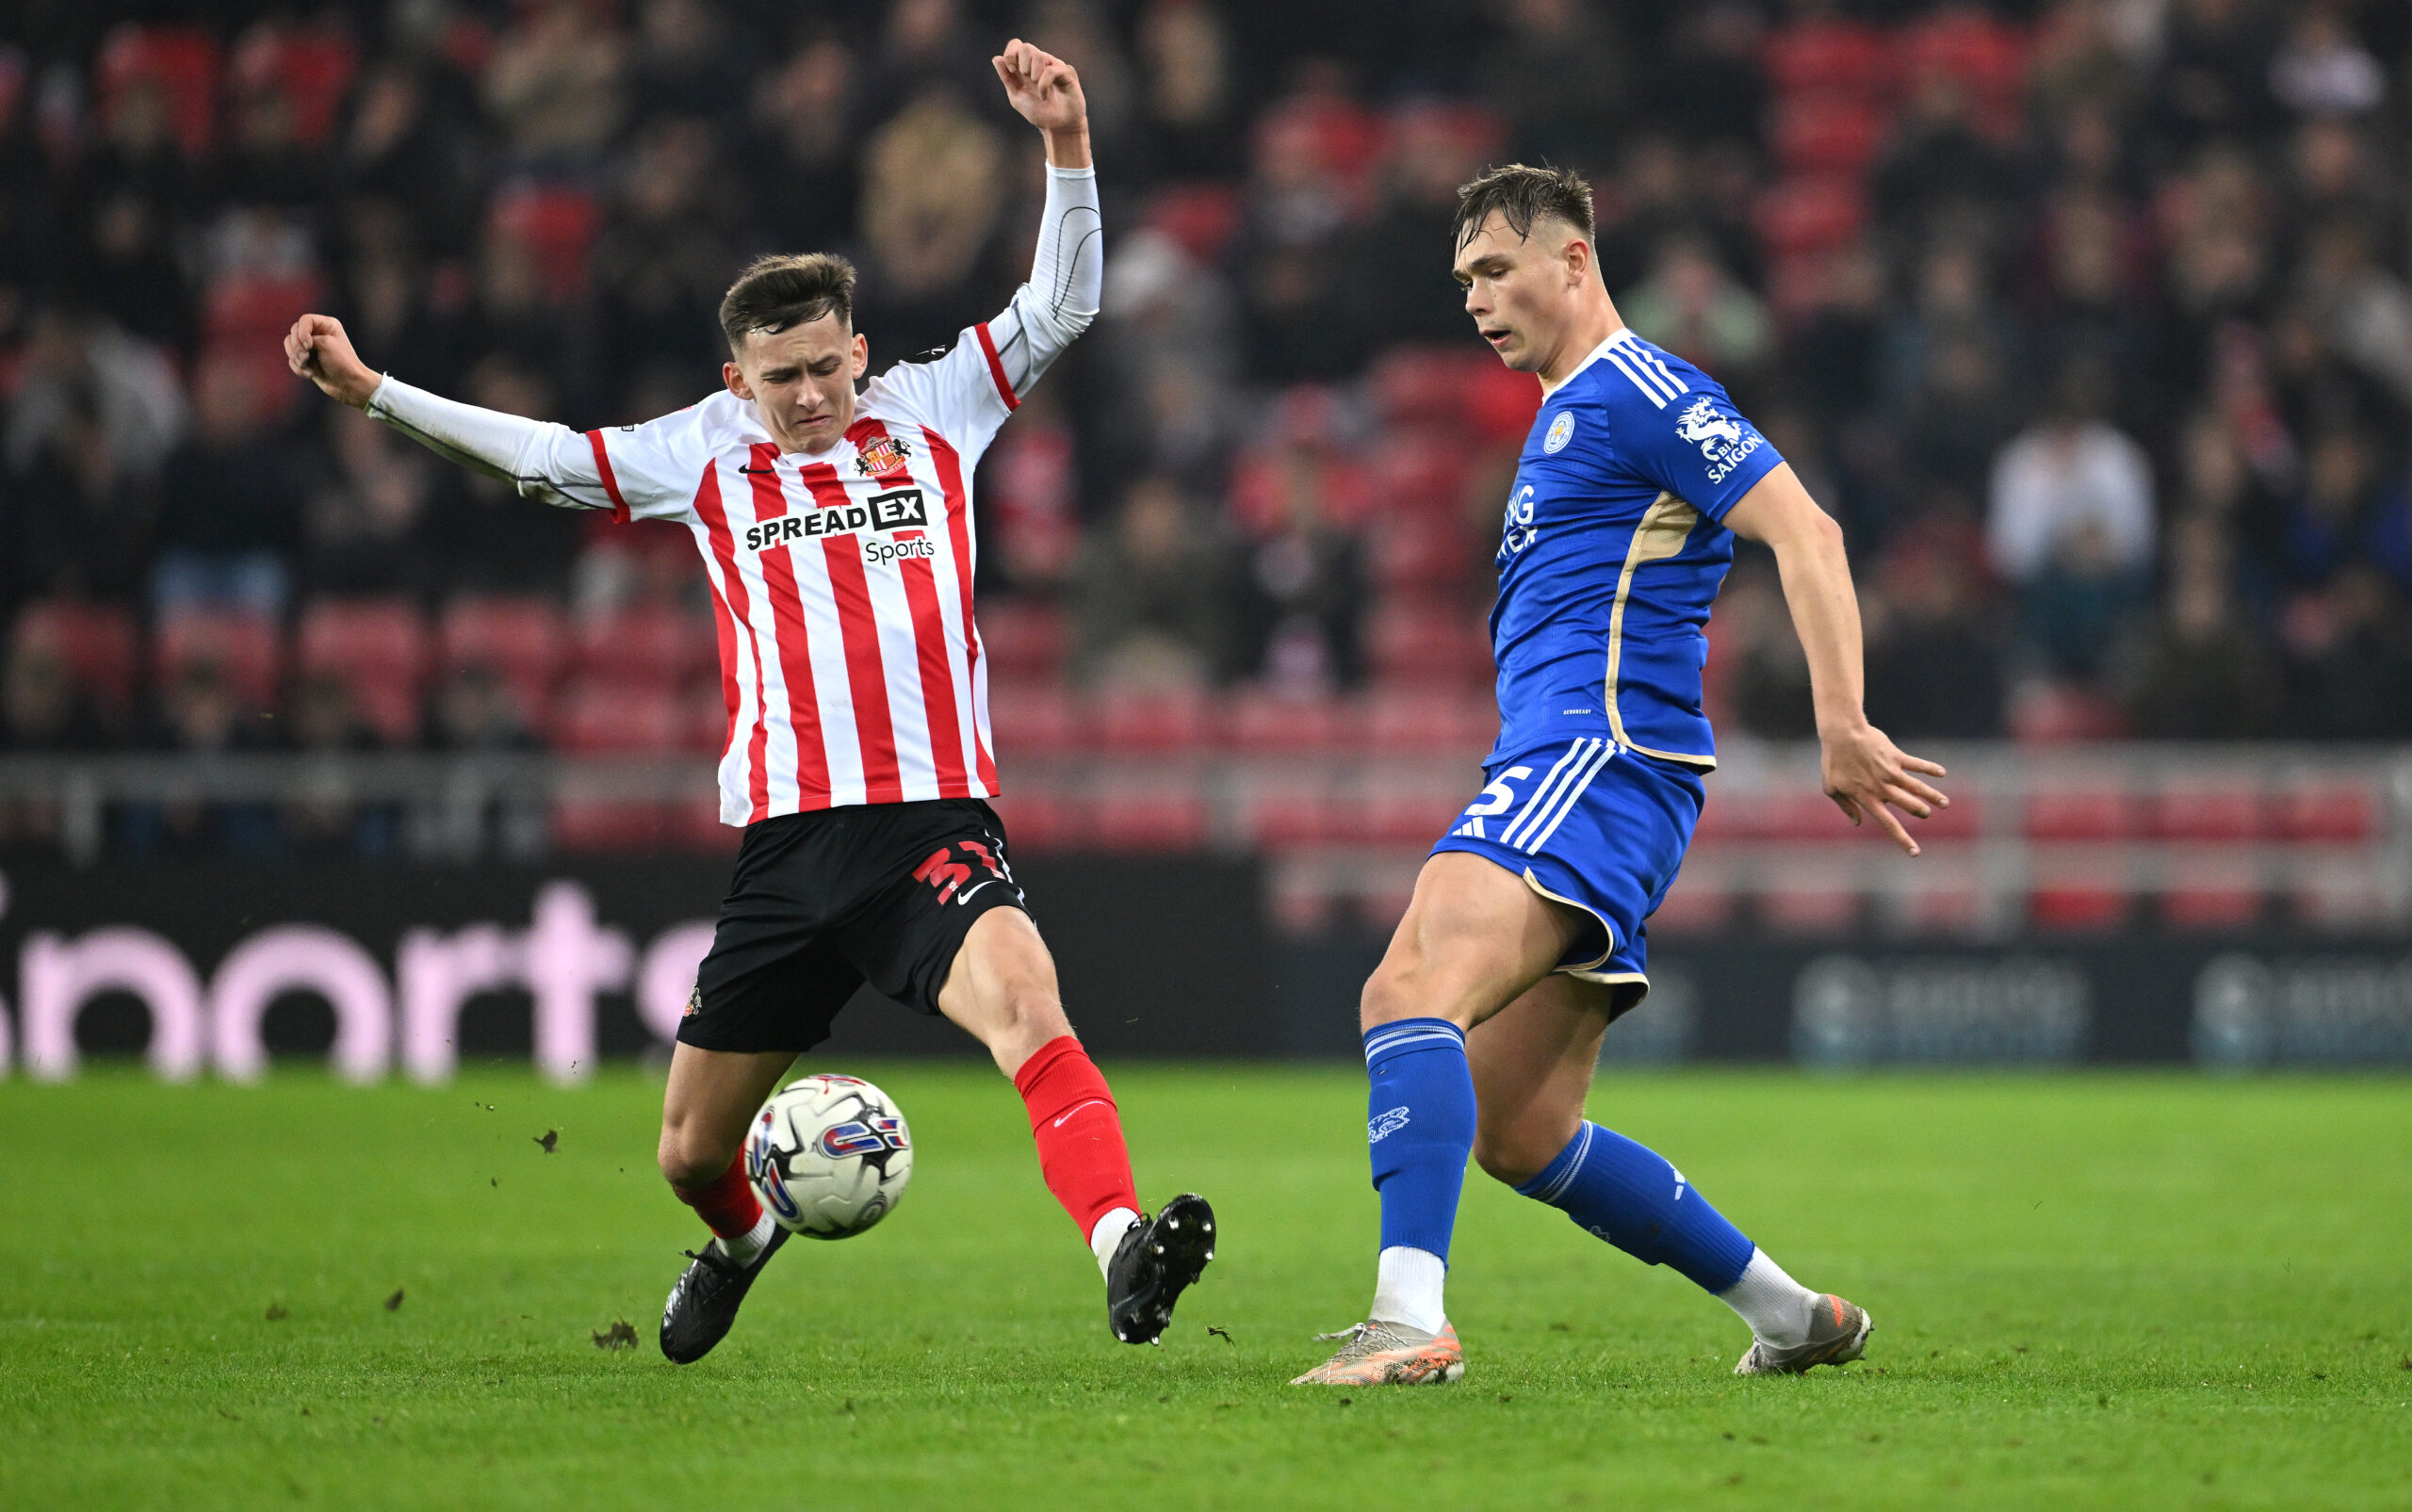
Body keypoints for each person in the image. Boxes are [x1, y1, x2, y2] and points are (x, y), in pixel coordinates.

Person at [285, 41, 1214, 1365]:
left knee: (1030, 1007)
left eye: (830, 367)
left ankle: (1123, 1247)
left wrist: (1068, 150)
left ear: (860, 352)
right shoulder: (702, 457)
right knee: (687, 1150)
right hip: (786, 851)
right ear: (740, 382)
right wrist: (376, 395)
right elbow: (542, 462)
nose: (814, 396)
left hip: (929, 822)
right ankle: (740, 1239)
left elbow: (1060, 305)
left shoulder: (936, 413)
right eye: (784, 378)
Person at [1294, 165, 1948, 1388]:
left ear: (1576, 260)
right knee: (1521, 1131)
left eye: (1497, 269)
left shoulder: (1639, 390)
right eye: (1464, 282)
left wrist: (1842, 720)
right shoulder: (1557, 413)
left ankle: (1406, 1319)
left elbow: (1807, 528)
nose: (1478, 300)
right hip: (1597, 776)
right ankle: (1791, 1312)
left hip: (1593, 763)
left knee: (1406, 988)